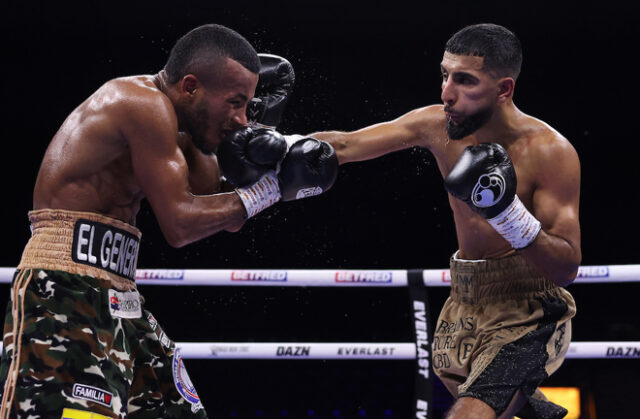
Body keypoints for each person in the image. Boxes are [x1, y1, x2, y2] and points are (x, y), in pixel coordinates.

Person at [0, 24, 337, 419]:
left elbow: (222, 212)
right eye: (235, 102)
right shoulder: (141, 103)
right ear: (191, 86)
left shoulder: (183, 133)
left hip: (119, 294)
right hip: (62, 286)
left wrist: (257, 155)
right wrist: (272, 190)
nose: (244, 118)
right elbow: (180, 224)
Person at [308, 23, 581, 419]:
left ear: (504, 89)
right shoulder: (437, 126)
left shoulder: (550, 152)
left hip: (530, 311)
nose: (446, 93)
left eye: (465, 80)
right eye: (445, 74)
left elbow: (567, 266)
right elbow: (346, 145)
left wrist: (507, 214)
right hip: (464, 301)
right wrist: (275, 146)